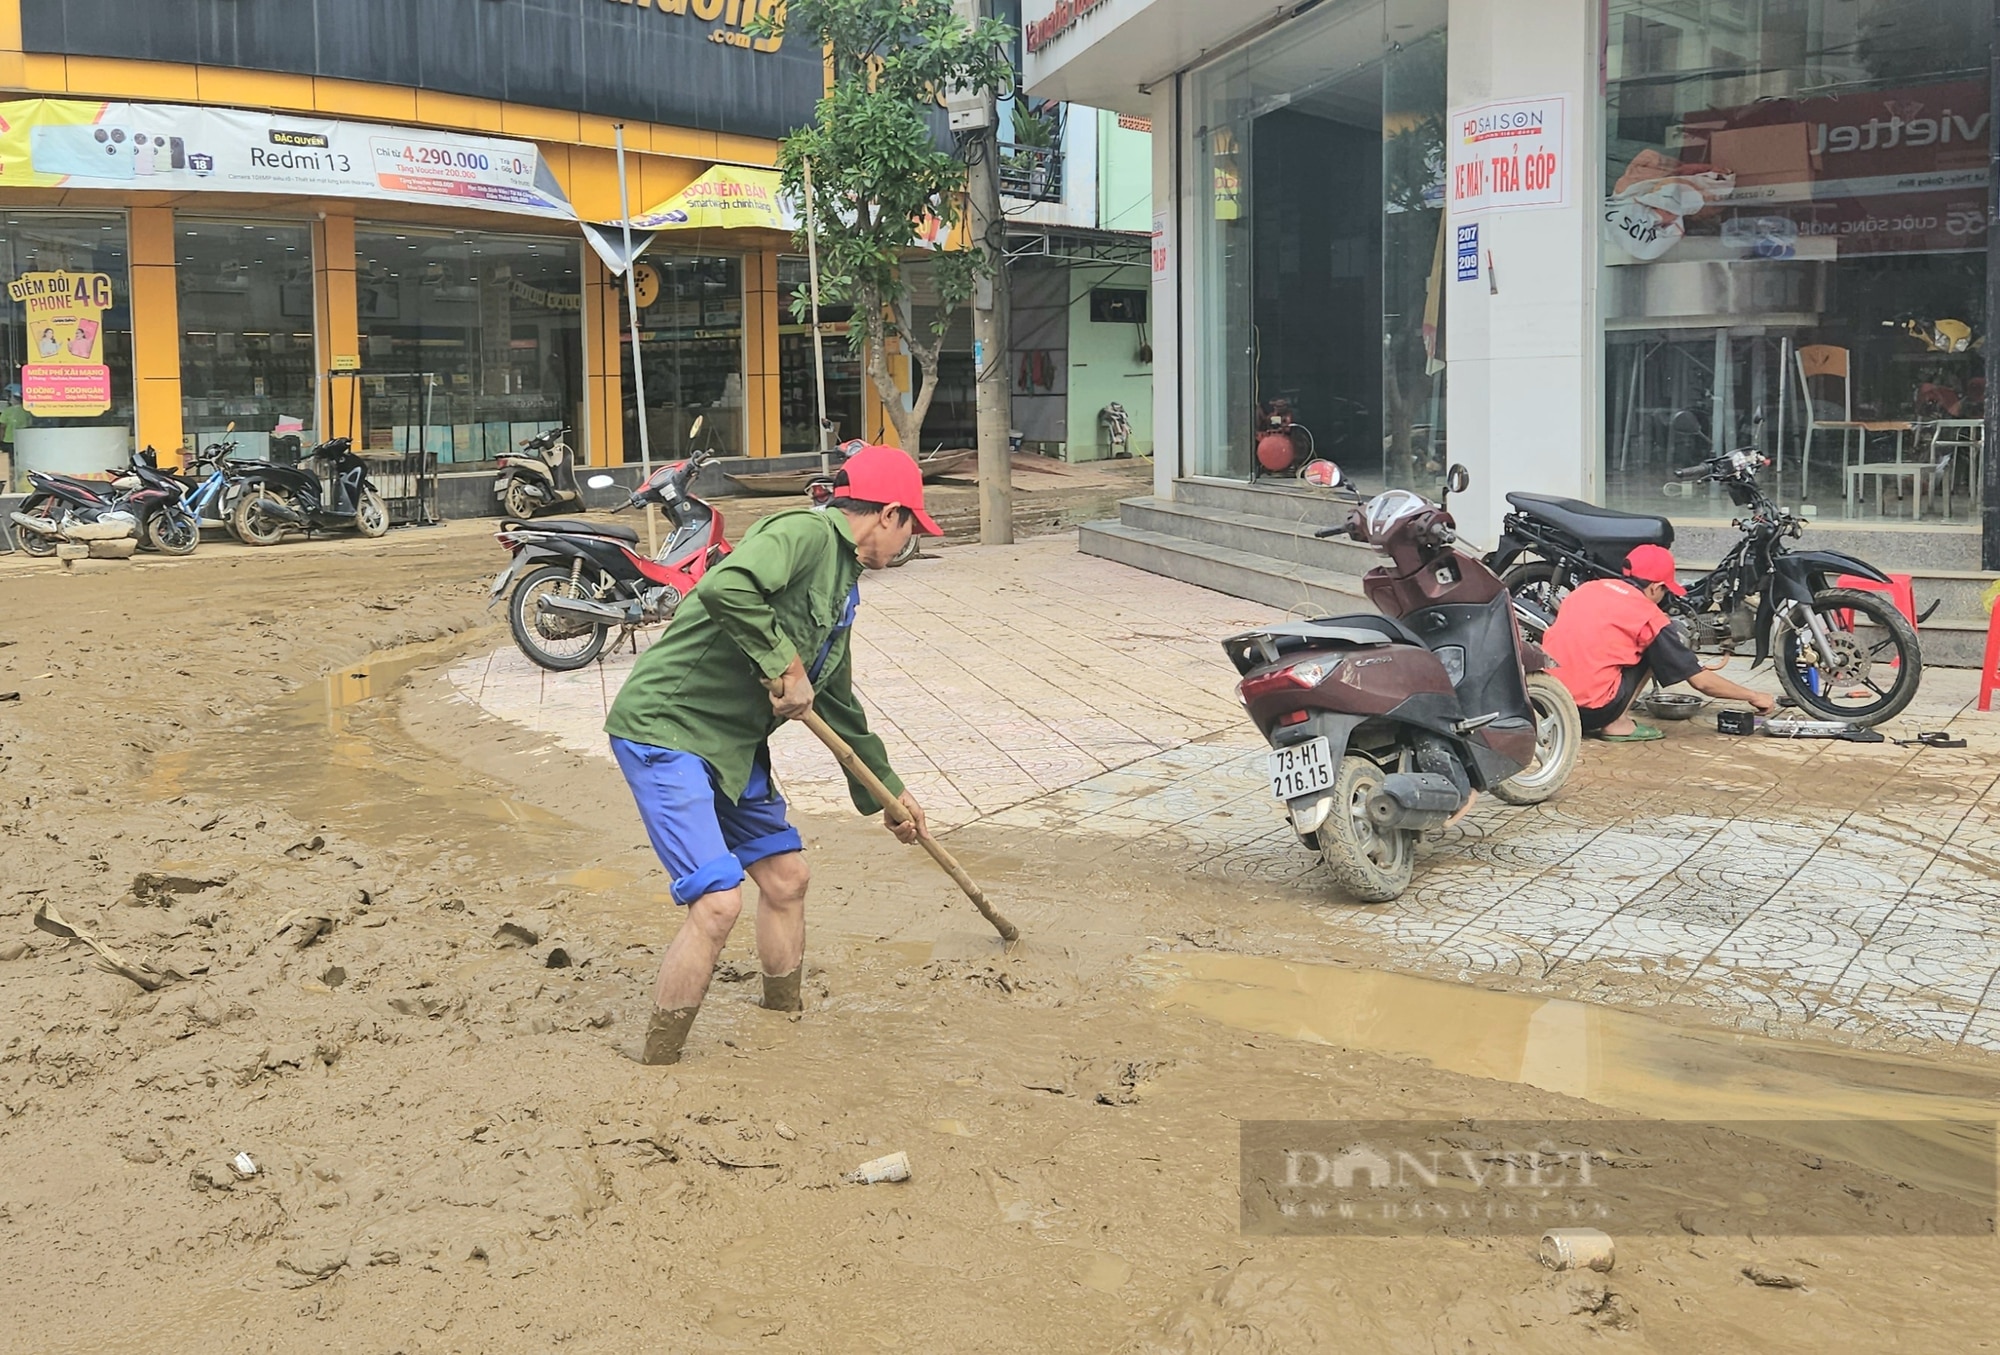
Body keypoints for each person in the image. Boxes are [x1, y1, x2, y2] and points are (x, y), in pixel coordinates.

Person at [602, 444, 942, 1065]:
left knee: (788, 878)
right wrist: (783, 662)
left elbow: (835, 701)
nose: (910, 541)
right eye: (913, 527)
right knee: (718, 900)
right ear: (889, 514)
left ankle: (783, 1024)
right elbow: (727, 585)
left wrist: (890, 795)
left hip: (733, 744)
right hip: (667, 728)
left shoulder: (844, 590)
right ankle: (656, 1062)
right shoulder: (806, 533)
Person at [1542, 544, 1777, 742]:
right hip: (1589, 713)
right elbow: (1702, 683)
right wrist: (1753, 695)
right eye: (1665, 589)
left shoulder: (1587, 589)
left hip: (1547, 701)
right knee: (1652, 647)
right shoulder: (1648, 616)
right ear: (1655, 586)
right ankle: (1617, 724)